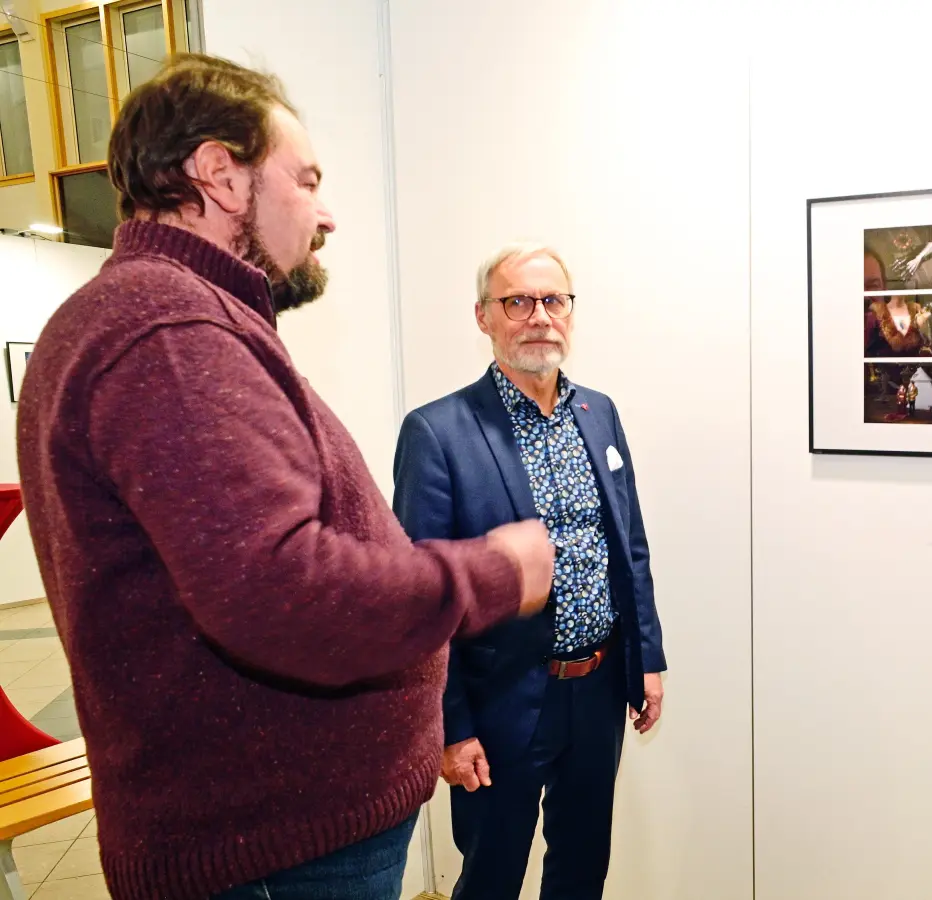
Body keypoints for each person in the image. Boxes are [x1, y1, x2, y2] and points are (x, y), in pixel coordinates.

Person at [14, 55, 556, 900]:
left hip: (285, 840)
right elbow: (282, 593)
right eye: (305, 180)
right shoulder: (168, 330)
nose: (327, 212)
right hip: (276, 856)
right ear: (220, 176)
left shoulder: (174, 321)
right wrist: (493, 572)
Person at [393, 243, 667, 900]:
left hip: (598, 691)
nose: (538, 316)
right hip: (500, 702)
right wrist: (449, 728)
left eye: (553, 300)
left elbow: (629, 544)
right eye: (517, 301)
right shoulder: (438, 432)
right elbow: (420, 596)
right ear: (484, 316)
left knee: (581, 867)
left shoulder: (598, 412)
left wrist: (646, 658)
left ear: (570, 313)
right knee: (492, 875)